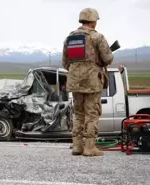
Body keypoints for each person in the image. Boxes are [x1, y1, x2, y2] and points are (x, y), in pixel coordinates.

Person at [61, 8, 114, 156]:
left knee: (78, 114)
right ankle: (90, 147)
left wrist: (78, 70)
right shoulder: (97, 37)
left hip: (74, 82)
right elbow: (108, 59)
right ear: (93, 21)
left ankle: (77, 146)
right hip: (92, 82)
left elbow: (65, 63)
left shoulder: (69, 38)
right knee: (92, 114)